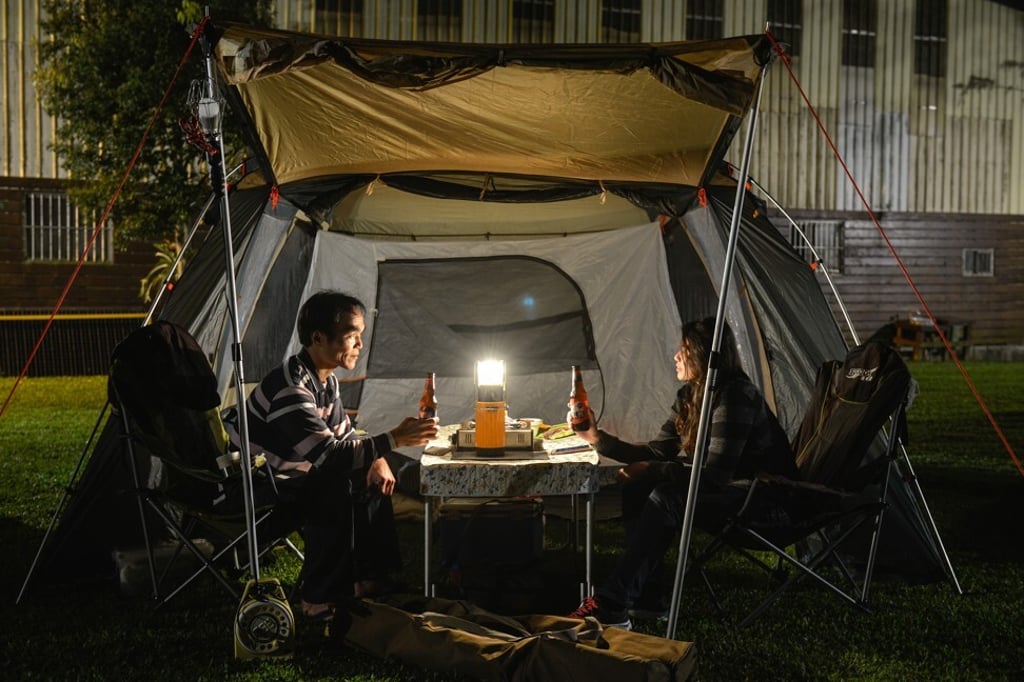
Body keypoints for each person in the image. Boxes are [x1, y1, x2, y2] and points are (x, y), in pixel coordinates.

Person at [568, 317, 798, 629]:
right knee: (638, 485)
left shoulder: (735, 397)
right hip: (731, 493)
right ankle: (649, 597)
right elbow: (655, 452)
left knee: (666, 494)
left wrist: (653, 469)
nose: (676, 356)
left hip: (764, 502)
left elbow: (715, 476)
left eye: (685, 350)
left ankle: (612, 603)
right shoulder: (690, 396)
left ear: (706, 355)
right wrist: (597, 438)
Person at [236, 290, 438, 621]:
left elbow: (343, 433)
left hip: (296, 473)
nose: (360, 345)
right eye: (351, 335)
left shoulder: (325, 381)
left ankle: (371, 580)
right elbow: (329, 457)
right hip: (261, 484)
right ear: (318, 337)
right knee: (335, 486)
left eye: (361, 336)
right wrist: (395, 438)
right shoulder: (291, 387)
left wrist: (378, 458)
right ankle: (318, 599)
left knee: (377, 472)